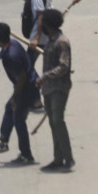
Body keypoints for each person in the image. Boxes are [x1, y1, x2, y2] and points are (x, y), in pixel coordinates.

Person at [0, 23, 38, 165]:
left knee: (18, 120)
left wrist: (15, 97)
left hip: (27, 88)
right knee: (9, 110)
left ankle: (26, 155)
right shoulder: (12, 44)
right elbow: (2, 52)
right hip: (27, 85)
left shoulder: (11, 56)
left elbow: (21, 77)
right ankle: (3, 142)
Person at [37, 9, 73, 171]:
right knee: (53, 123)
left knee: (58, 121)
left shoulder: (61, 41)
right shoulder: (50, 40)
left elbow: (64, 66)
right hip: (48, 89)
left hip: (59, 88)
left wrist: (46, 76)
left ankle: (68, 158)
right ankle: (58, 158)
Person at [6, 0, 52, 71]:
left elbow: (41, 16)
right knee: (31, 64)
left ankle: (34, 85)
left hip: (38, 37)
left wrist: (36, 39)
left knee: (27, 66)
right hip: (46, 35)